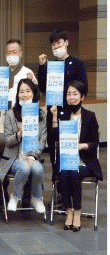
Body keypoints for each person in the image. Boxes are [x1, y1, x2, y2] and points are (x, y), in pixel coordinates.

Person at [51, 80, 102, 231]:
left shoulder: (89, 116)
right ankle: (69, 211)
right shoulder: (63, 115)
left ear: (82, 97)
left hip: (83, 160)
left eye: (75, 94)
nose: (71, 97)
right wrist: (54, 117)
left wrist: (82, 146)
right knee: (64, 172)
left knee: (74, 172)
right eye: (68, 94)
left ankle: (77, 212)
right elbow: (54, 138)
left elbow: (95, 142)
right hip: (66, 159)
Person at [38, 29, 88, 172]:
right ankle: (56, 177)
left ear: (66, 43)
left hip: (70, 112)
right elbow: (42, 87)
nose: (56, 47)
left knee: (68, 149)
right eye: (53, 44)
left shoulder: (77, 63)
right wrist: (41, 66)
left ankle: (69, 177)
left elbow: (84, 87)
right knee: (53, 148)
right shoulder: (50, 65)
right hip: (53, 112)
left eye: (59, 43)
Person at [0, 79, 46, 215]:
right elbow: (8, 141)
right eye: (21, 92)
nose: (24, 95)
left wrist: (32, 156)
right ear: (17, 94)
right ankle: (16, 196)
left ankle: (36, 198)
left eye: (28, 91)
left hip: (32, 157)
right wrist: (18, 135)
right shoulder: (10, 114)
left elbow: (43, 140)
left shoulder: (41, 114)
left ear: (34, 93)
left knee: (38, 169)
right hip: (14, 159)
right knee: (24, 168)